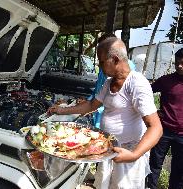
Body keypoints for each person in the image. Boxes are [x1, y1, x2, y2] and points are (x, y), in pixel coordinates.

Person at [48, 37, 162, 188]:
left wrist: (134, 155)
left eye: (101, 62)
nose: (99, 66)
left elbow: (156, 127)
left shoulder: (137, 83)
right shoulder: (109, 82)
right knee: (103, 184)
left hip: (127, 153)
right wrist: (62, 110)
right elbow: (91, 105)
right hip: (107, 149)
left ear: (114, 59)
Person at [147, 48, 183, 189]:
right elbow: (146, 93)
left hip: (182, 136)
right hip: (163, 131)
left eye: (182, 63)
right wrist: (153, 112)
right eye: (177, 62)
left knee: (179, 171)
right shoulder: (166, 80)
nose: (179, 65)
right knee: (154, 164)